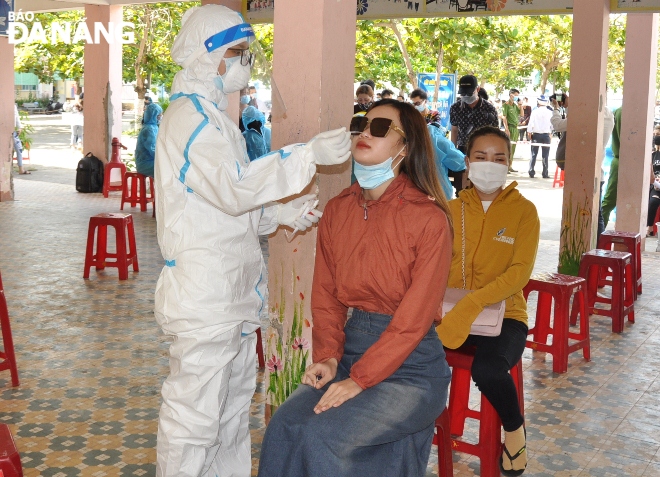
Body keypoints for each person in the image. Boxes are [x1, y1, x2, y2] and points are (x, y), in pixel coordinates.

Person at [154, 5, 352, 476]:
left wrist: (278, 215)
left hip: (234, 297)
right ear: (210, 57)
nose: (246, 64)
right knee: (193, 418)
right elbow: (233, 186)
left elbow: (225, 208)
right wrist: (307, 156)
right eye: (238, 53)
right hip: (207, 298)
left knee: (229, 412)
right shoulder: (189, 120)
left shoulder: (217, 119)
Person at [258, 99, 453, 477]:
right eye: (362, 124)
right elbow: (326, 297)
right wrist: (330, 356)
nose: (365, 132)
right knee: (283, 428)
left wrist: (360, 380)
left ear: (405, 147)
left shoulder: (429, 219)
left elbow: (412, 322)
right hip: (350, 351)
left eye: (380, 128)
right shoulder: (338, 209)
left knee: (324, 438)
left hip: (412, 368)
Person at [436, 126, 540, 477]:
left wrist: (471, 305)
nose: (489, 165)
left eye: (499, 159)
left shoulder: (524, 212)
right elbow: (431, 266)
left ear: (509, 164)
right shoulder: (449, 210)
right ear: (466, 162)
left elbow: (518, 275)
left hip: (504, 314)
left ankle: (514, 430)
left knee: (489, 368)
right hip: (449, 312)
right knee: (408, 356)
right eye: (481, 157)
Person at [551, 91, 614, 240]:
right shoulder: (608, 114)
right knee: (596, 215)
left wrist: (555, 108)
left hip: (580, 171)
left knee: (578, 213)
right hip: (597, 171)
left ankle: (587, 249)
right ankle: (598, 250)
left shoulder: (586, 113)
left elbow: (558, 125)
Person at [410, 88, 465, 199]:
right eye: (413, 104)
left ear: (425, 101)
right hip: (439, 193)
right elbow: (461, 162)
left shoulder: (433, 124)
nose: (416, 106)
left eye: (418, 103)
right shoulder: (438, 141)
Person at [602, 107, 623, 227]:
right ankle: (598, 234)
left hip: (619, 161)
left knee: (608, 202)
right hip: (624, 162)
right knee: (609, 201)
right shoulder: (629, 111)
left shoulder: (618, 111)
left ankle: (599, 234)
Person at [526, 96, 553, 178]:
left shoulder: (535, 111)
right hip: (546, 135)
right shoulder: (550, 112)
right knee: (545, 155)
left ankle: (531, 172)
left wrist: (529, 132)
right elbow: (552, 125)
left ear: (538, 102)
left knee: (533, 154)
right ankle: (545, 173)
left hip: (536, 135)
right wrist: (551, 133)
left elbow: (530, 123)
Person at [135, 102, 163, 178]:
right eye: (159, 115)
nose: (161, 117)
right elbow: (152, 149)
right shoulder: (148, 130)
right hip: (145, 164)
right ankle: (159, 190)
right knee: (167, 168)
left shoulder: (153, 127)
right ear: (154, 116)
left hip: (150, 162)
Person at [502, 89, 521, 173]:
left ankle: (510, 166)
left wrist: (520, 105)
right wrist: (506, 129)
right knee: (508, 148)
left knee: (513, 148)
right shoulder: (506, 105)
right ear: (511, 95)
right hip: (510, 128)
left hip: (516, 128)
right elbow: (504, 117)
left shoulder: (514, 105)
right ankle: (505, 166)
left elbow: (521, 114)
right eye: (515, 95)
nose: (517, 97)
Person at [647, 136, 660, 236]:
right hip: (654, 185)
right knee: (652, 201)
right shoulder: (653, 154)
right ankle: (649, 227)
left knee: (654, 201)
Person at [12, 104, 29, 175]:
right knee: (19, 149)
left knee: (19, 149)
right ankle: (21, 169)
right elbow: (16, 117)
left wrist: (19, 127)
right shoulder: (12, 105)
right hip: (11, 131)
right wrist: (19, 127)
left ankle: (21, 169)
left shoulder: (13, 105)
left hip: (13, 131)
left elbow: (16, 117)